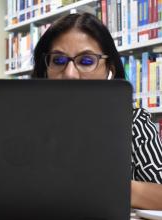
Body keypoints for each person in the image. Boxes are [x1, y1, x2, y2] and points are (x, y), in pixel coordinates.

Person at [32, 12, 162, 209]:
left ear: (109, 67)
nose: (70, 74)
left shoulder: (134, 121)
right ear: (46, 68)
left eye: (86, 61)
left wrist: (101, 187)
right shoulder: (25, 123)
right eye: (58, 61)